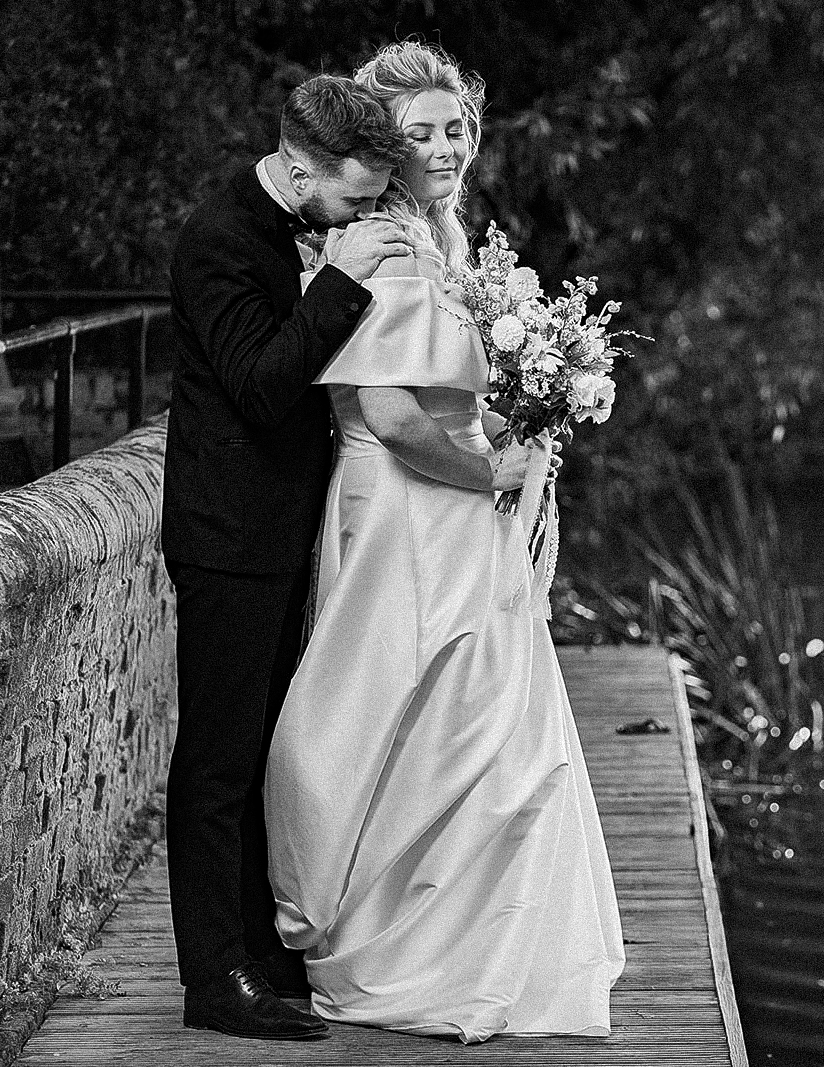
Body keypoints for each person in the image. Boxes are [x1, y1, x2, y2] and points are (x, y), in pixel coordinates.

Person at [263, 41, 626, 1042]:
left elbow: (455, 397)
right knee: (398, 713)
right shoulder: (378, 244)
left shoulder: (449, 240)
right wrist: (494, 470)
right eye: (419, 132)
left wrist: (532, 415)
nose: (446, 146)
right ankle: (400, 943)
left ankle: (487, 942)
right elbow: (391, 413)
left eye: (456, 126)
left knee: (488, 726)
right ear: (384, 143)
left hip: (458, 511)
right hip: (401, 514)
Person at [162, 74, 424, 1041]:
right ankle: (211, 978)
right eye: (354, 197)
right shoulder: (219, 241)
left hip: (284, 529)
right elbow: (266, 389)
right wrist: (343, 279)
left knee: (268, 751)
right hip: (228, 535)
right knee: (217, 762)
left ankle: (264, 956)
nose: (364, 213)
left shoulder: (298, 223)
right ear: (300, 167)